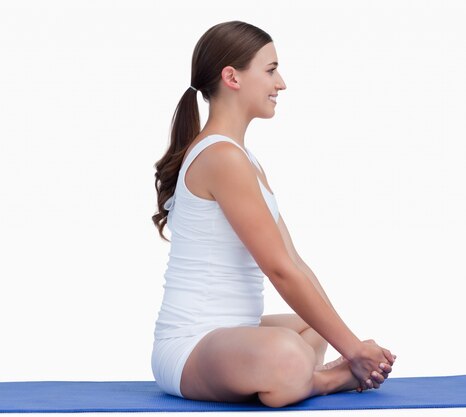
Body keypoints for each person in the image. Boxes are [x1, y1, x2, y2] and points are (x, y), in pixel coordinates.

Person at [150, 21, 397, 408]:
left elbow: (294, 261)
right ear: (231, 77)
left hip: (235, 337)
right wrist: (352, 352)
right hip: (190, 347)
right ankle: (324, 380)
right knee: (287, 351)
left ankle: (303, 374)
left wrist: (347, 340)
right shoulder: (221, 158)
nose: (280, 83)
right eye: (270, 70)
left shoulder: (244, 159)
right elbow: (279, 270)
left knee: (312, 328)